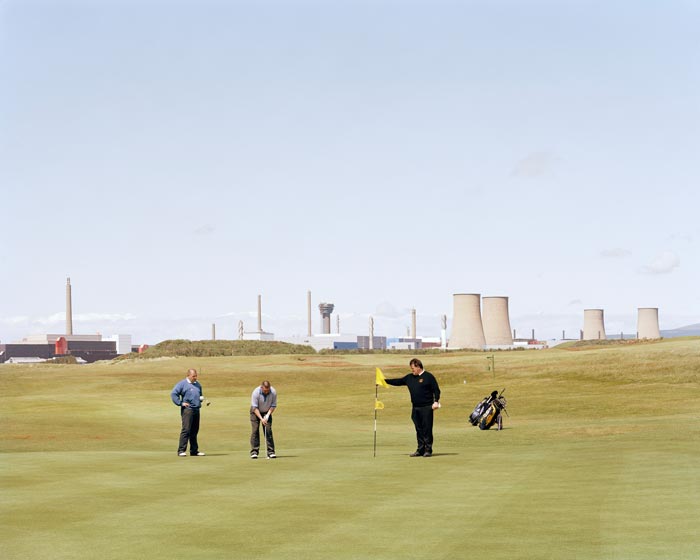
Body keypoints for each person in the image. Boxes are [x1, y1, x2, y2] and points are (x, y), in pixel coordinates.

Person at [384, 358, 441, 457]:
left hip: (427, 407)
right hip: (415, 407)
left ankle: (428, 450)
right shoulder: (409, 377)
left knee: (427, 429)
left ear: (419, 366)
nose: (412, 370)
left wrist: (436, 401)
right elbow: (398, 381)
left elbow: (436, 390)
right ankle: (420, 449)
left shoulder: (428, 377)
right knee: (419, 429)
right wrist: (384, 381)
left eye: (413, 368)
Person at [170, 368, 206, 457]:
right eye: (194, 376)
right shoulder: (182, 384)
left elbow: (199, 395)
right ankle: (181, 450)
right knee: (186, 430)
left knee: (194, 431)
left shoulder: (197, 384)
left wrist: (201, 399)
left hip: (196, 409)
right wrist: (180, 403)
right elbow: (174, 393)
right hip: (188, 410)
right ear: (188, 375)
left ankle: (194, 451)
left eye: (196, 376)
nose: (195, 378)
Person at [250, 380, 277, 459]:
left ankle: (271, 452)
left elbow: (273, 405)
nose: (266, 392)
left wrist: (268, 415)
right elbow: (254, 408)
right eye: (265, 390)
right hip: (255, 412)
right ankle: (254, 452)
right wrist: (261, 419)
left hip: (267, 411)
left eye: (268, 390)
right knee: (255, 430)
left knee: (268, 430)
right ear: (261, 387)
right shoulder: (256, 392)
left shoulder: (273, 392)